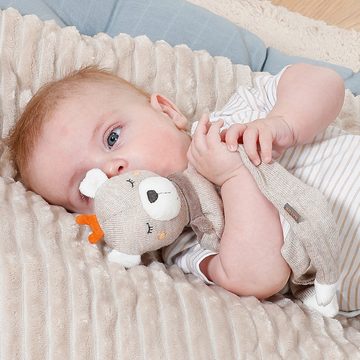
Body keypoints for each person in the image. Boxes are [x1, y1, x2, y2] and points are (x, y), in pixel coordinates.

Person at [7, 63, 356, 309]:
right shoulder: (186, 243)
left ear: (167, 111)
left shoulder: (233, 119)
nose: (113, 170)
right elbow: (257, 278)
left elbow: (323, 82)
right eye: (88, 185)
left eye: (112, 137)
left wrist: (284, 122)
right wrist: (235, 178)